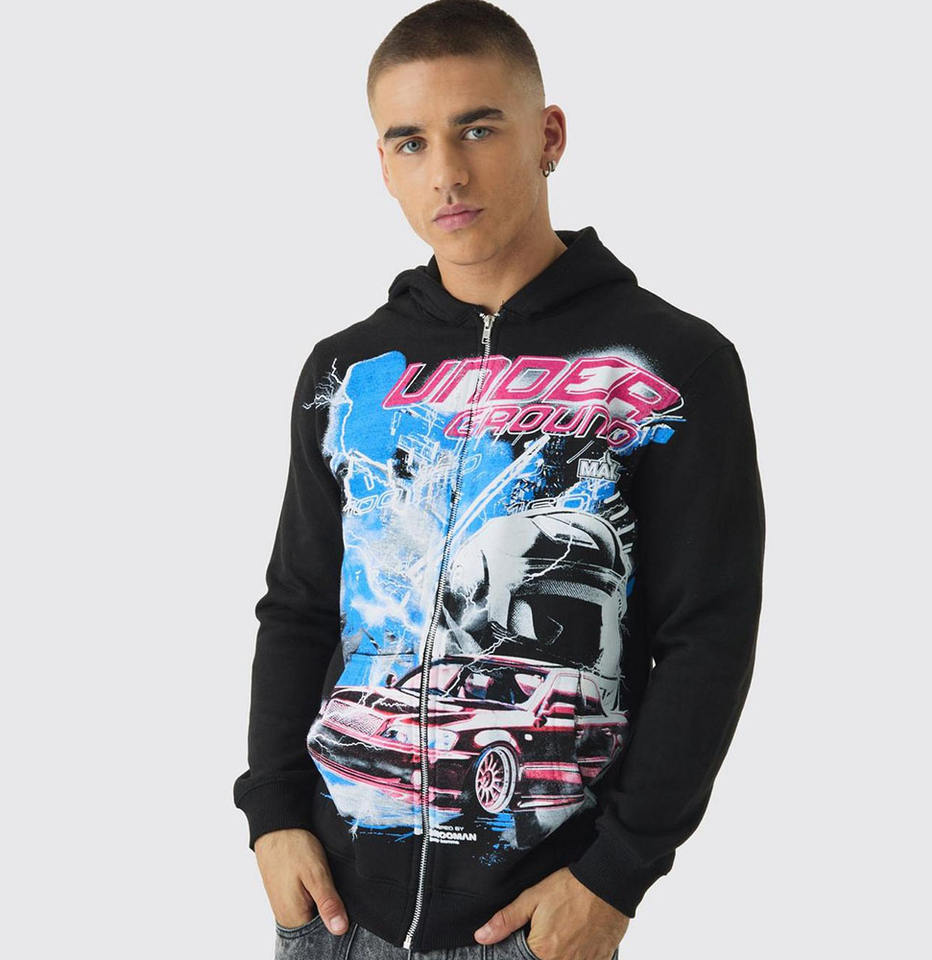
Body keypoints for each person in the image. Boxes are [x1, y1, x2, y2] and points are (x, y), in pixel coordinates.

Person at [232, 2, 766, 959]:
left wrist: (614, 877)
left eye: (478, 129)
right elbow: (301, 603)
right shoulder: (348, 371)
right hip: (330, 908)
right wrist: (271, 814)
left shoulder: (674, 361)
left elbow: (707, 637)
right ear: (383, 163)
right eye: (410, 142)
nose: (446, 171)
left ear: (548, 136)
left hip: (531, 922)